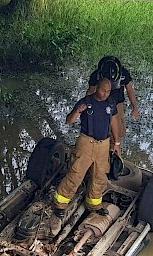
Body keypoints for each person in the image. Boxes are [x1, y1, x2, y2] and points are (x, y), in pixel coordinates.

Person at [51, 78, 122, 232]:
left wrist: (117, 143)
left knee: (100, 175)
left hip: (104, 145)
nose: (105, 94)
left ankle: (94, 205)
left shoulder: (110, 104)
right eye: (103, 90)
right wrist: (78, 111)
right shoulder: (86, 102)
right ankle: (60, 204)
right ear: (96, 88)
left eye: (108, 91)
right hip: (86, 143)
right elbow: (69, 121)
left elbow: (114, 123)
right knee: (76, 173)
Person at [87, 56, 139, 137]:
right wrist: (88, 106)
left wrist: (135, 108)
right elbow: (90, 92)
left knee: (119, 131)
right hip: (100, 101)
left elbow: (130, 90)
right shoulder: (95, 76)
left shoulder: (124, 74)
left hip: (117, 101)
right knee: (101, 129)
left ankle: (115, 145)